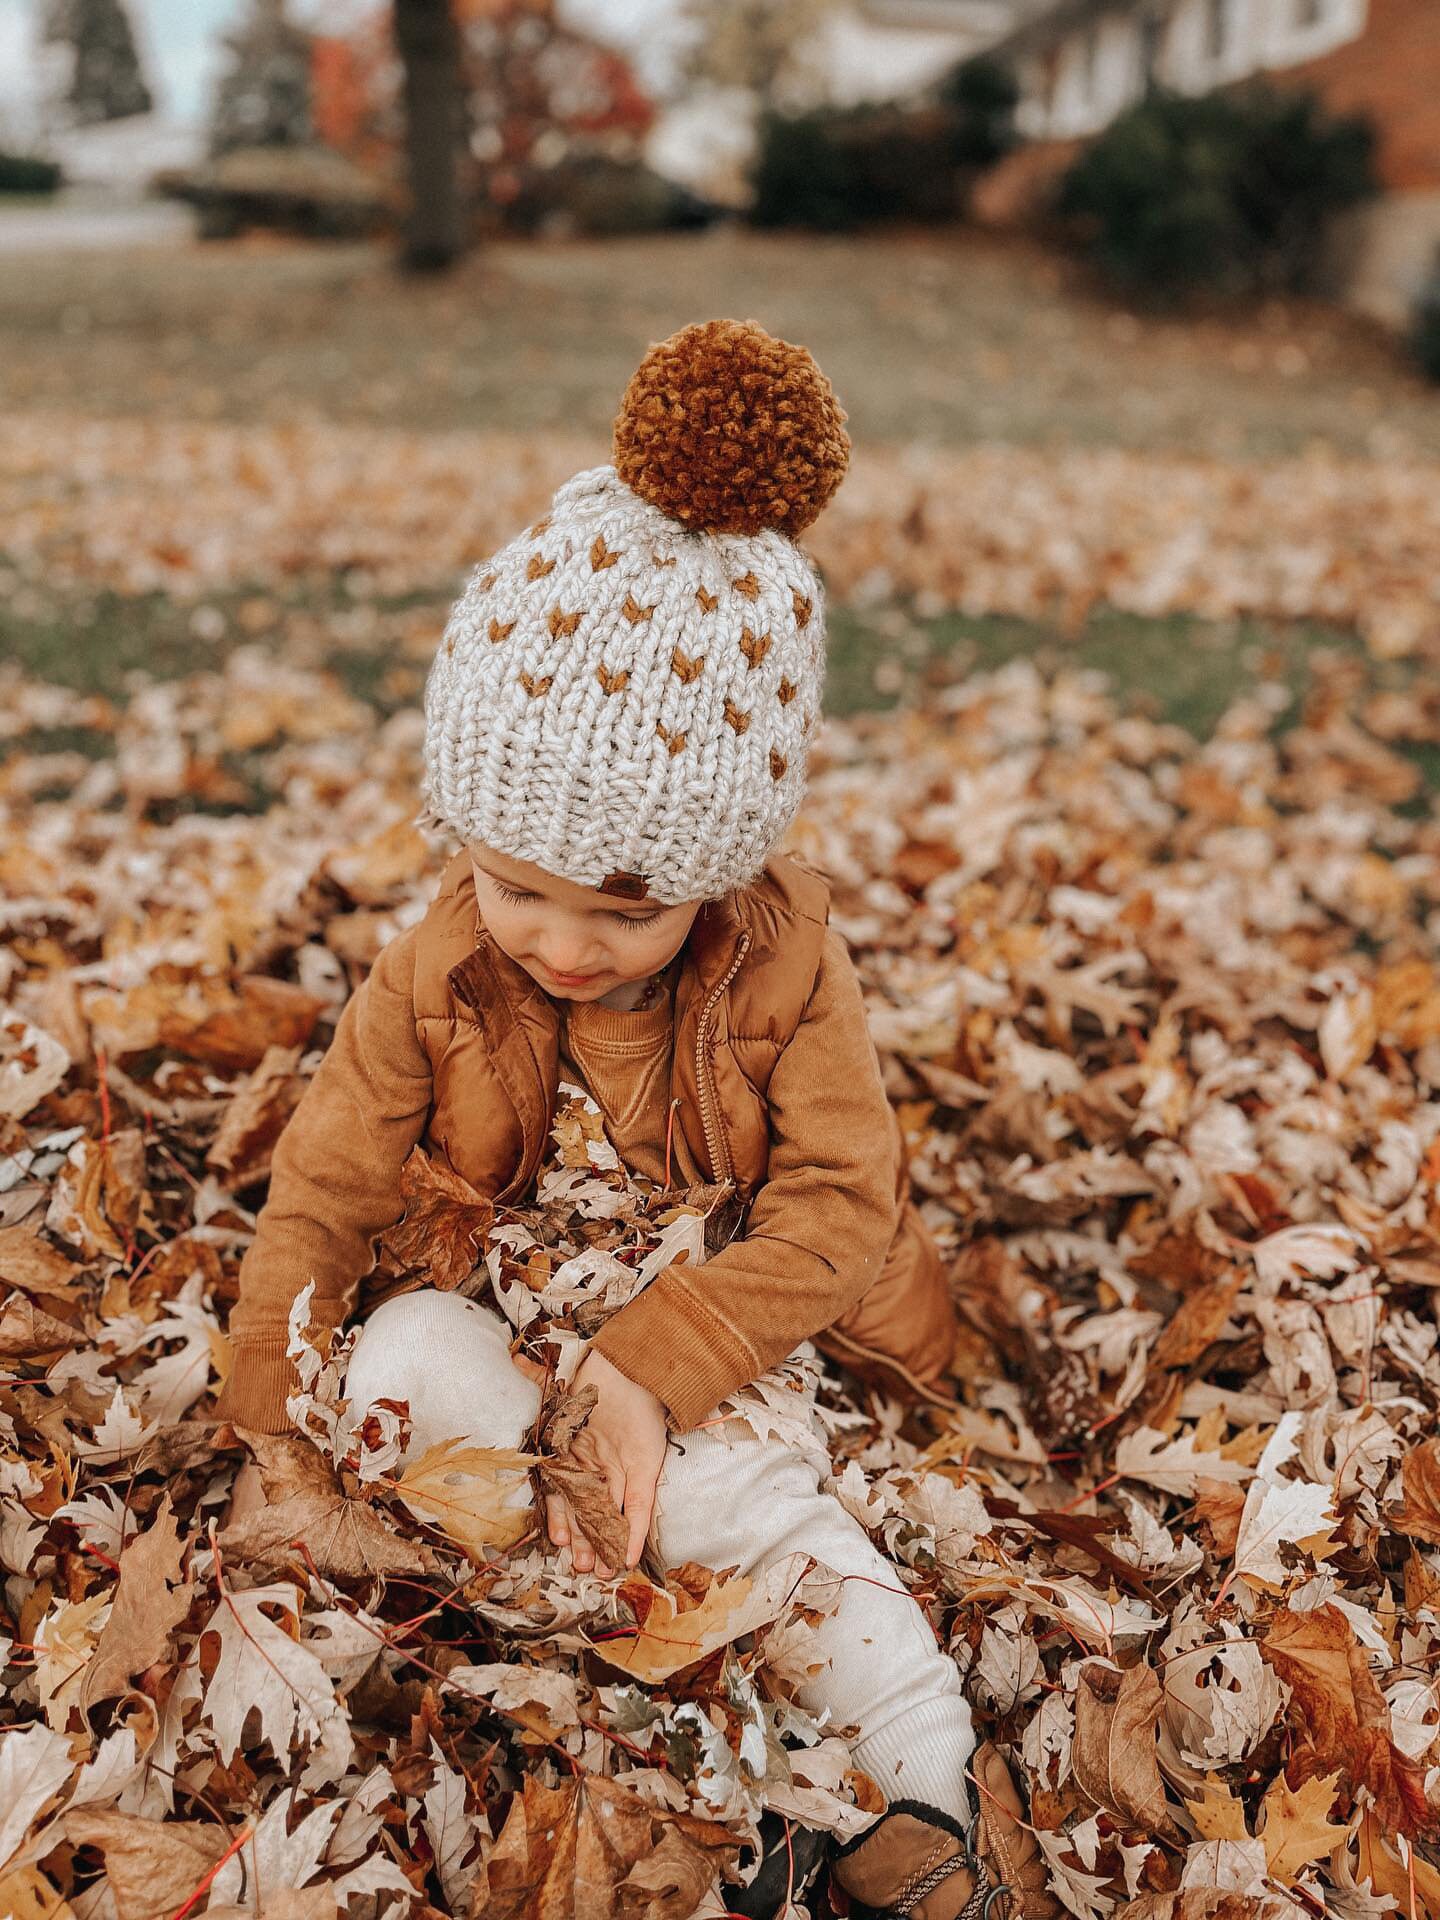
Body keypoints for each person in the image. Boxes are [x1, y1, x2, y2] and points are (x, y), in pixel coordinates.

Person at [216, 320, 1051, 1920]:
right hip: (506, 1297)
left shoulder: (789, 963)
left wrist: (657, 1371)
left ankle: (919, 1784)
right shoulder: (443, 958)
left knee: (746, 1508)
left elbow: (836, 1205)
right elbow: (329, 1172)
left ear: (716, 873)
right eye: (512, 880)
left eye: (624, 907)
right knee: (393, 1378)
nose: (561, 940)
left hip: (719, 1312)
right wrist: (268, 1414)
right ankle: (614, 1645)